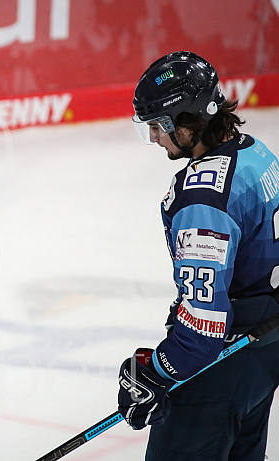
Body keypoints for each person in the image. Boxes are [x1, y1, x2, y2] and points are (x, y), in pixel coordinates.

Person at [117, 50, 279, 460]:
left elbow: (204, 324)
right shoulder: (256, 153)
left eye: (158, 125)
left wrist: (157, 369)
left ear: (186, 120)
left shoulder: (202, 197)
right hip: (265, 349)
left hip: (221, 365)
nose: (154, 137)